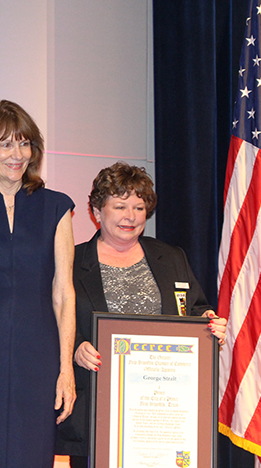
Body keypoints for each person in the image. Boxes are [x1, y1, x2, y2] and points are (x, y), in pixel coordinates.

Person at [55, 161, 227, 468]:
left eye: (138, 206)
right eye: (120, 206)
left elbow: (197, 309)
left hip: (164, 416)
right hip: (98, 414)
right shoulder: (71, 261)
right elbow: (50, 321)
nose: (130, 216)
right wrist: (76, 348)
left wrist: (210, 324)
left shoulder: (171, 257)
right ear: (97, 211)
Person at [0, 100, 77, 467]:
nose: (17, 154)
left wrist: (65, 368)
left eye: (24, 143)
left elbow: (63, 293)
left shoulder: (56, 207)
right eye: (5, 143)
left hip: (38, 360)